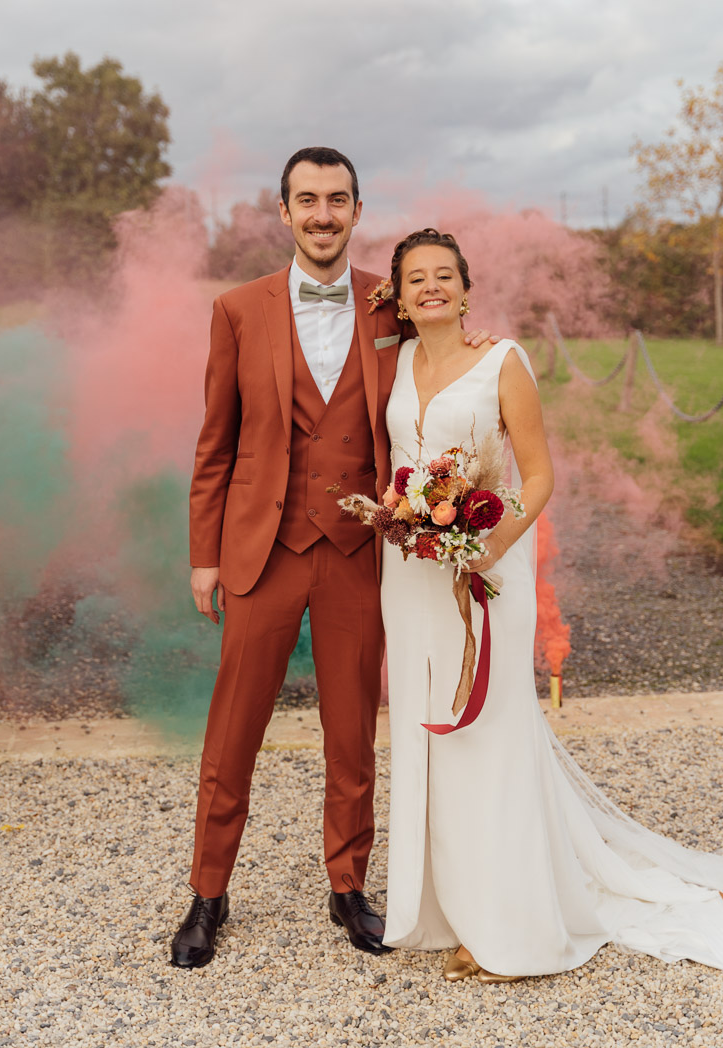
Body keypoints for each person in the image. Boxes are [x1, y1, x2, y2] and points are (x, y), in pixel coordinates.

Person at [379, 228, 723, 1026]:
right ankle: (442, 910)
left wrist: (485, 546)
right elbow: (398, 467)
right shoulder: (397, 364)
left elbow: (537, 475)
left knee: (488, 735)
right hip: (412, 575)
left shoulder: (504, 361)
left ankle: (511, 929)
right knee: (429, 735)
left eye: (443, 276)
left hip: (485, 569)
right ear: (400, 295)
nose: (429, 288)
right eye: (414, 278)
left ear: (466, 288)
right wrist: (409, 523)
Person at [171, 150, 493, 969]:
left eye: (337, 199)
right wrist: (204, 555)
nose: (322, 213)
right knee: (232, 732)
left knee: (351, 733)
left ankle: (348, 887)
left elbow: (449, 347)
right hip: (262, 550)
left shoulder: (388, 308)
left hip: (358, 553)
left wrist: (470, 338)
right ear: (284, 212)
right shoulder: (236, 309)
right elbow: (215, 444)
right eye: (307, 199)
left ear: (357, 210)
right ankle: (208, 893)